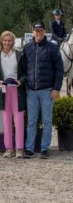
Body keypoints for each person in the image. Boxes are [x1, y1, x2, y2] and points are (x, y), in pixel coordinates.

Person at [23, 21, 64, 159]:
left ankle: (45, 148)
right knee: (31, 121)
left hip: (47, 90)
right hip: (31, 91)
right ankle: (29, 149)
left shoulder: (52, 48)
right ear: (32, 31)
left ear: (44, 32)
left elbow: (59, 69)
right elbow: (22, 69)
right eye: (36, 31)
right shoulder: (27, 48)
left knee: (47, 121)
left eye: (41, 31)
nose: (38, 33)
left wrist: (57, 88)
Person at [0, 31, 26, 159]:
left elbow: (25, 73)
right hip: (4, 91)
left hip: (17, 91)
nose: (7, 43)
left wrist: (20, 81)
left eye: (10, 40)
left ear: (13, 42)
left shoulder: (19, 55)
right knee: (6, 121)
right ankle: (8, 148)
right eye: (5, 40)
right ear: (1, 41)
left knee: (18, 121)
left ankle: (19, 149)